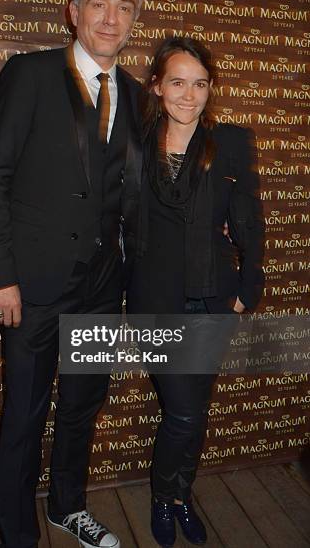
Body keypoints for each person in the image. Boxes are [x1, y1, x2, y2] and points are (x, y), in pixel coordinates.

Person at [0, 0, 145, 548]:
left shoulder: (139, 94)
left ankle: (68, 507)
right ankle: (17, 533)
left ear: (135, 18)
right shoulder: (29, 73)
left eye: (124, 7)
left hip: (102, 288)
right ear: (73, 11)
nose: (110, 19)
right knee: (23, 416)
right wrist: (0, 276)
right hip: (33, 286)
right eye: (98, 3)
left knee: (80, 410)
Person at [126, 37, 264, 547]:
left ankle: (180, 495)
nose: (189, 95)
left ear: (211, 89)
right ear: (158, 87)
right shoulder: (134, 145)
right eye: (177, 82)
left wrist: (247, 290)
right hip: (156, 300)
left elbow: (248, 219)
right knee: (183, 409)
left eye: (200, 84)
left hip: (214, 299)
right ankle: (167, 497)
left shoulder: (228, 141)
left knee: (194, 409)